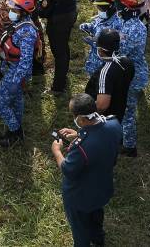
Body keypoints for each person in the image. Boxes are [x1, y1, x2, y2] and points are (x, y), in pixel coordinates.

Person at [53, 94, 123, 247]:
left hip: (80, 196)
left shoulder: (82, 147)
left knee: (80, 230)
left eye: (74, 115)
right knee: (96, 217)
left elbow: (67, 169)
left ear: (81, 119)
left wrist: (57, 151)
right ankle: (98, 240)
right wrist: (79, 134)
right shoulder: (114, 124)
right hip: (102, 187)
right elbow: (101, 139)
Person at [104, 0, 149, 156]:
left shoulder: (135, 28)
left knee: (128, 110)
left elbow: (121, 51)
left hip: (133, 75)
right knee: (121, 107)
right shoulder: (125, 20)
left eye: (117, 4)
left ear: (125, 7)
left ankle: (129, 146)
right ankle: (121, 135)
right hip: (124, 72)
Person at [0, 0, 40, 147]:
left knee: (0, 102)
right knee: (16, 102)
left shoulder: (28, 32)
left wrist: (16, 81)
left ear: (23, 11)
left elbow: (25, 61)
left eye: (14, 10)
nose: (11, 12)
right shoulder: (18, 24)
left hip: (16, 72)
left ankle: (15, 131)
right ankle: (15, 131)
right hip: (11, 67)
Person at [41, 0, 81, 95]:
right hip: (69, 13)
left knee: (59, 52)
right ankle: (62, 76)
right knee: (63, 48)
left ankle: (58, 87)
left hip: (61, 17)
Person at [85, 27, 135, 126]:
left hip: (104, 121)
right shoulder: (127, 62)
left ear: (100, 50)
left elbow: (101, 105)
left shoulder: (105, 72)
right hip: (119, 112)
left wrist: (88, 119)